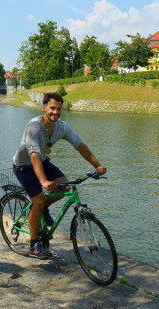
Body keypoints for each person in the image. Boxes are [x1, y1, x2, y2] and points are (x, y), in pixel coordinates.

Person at [13, 92, 106, 259]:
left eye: (58, 109)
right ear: (44, 108)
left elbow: (80, 145)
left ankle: (43, 209)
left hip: (42, 161)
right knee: (38, 200)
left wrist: (97, 165)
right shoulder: (33, 126)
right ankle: (34, 246)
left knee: (64, 185)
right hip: (24, 166)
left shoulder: (62, 127)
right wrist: (43, 181)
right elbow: (33, 155)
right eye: (52, 108)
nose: (55, 112)